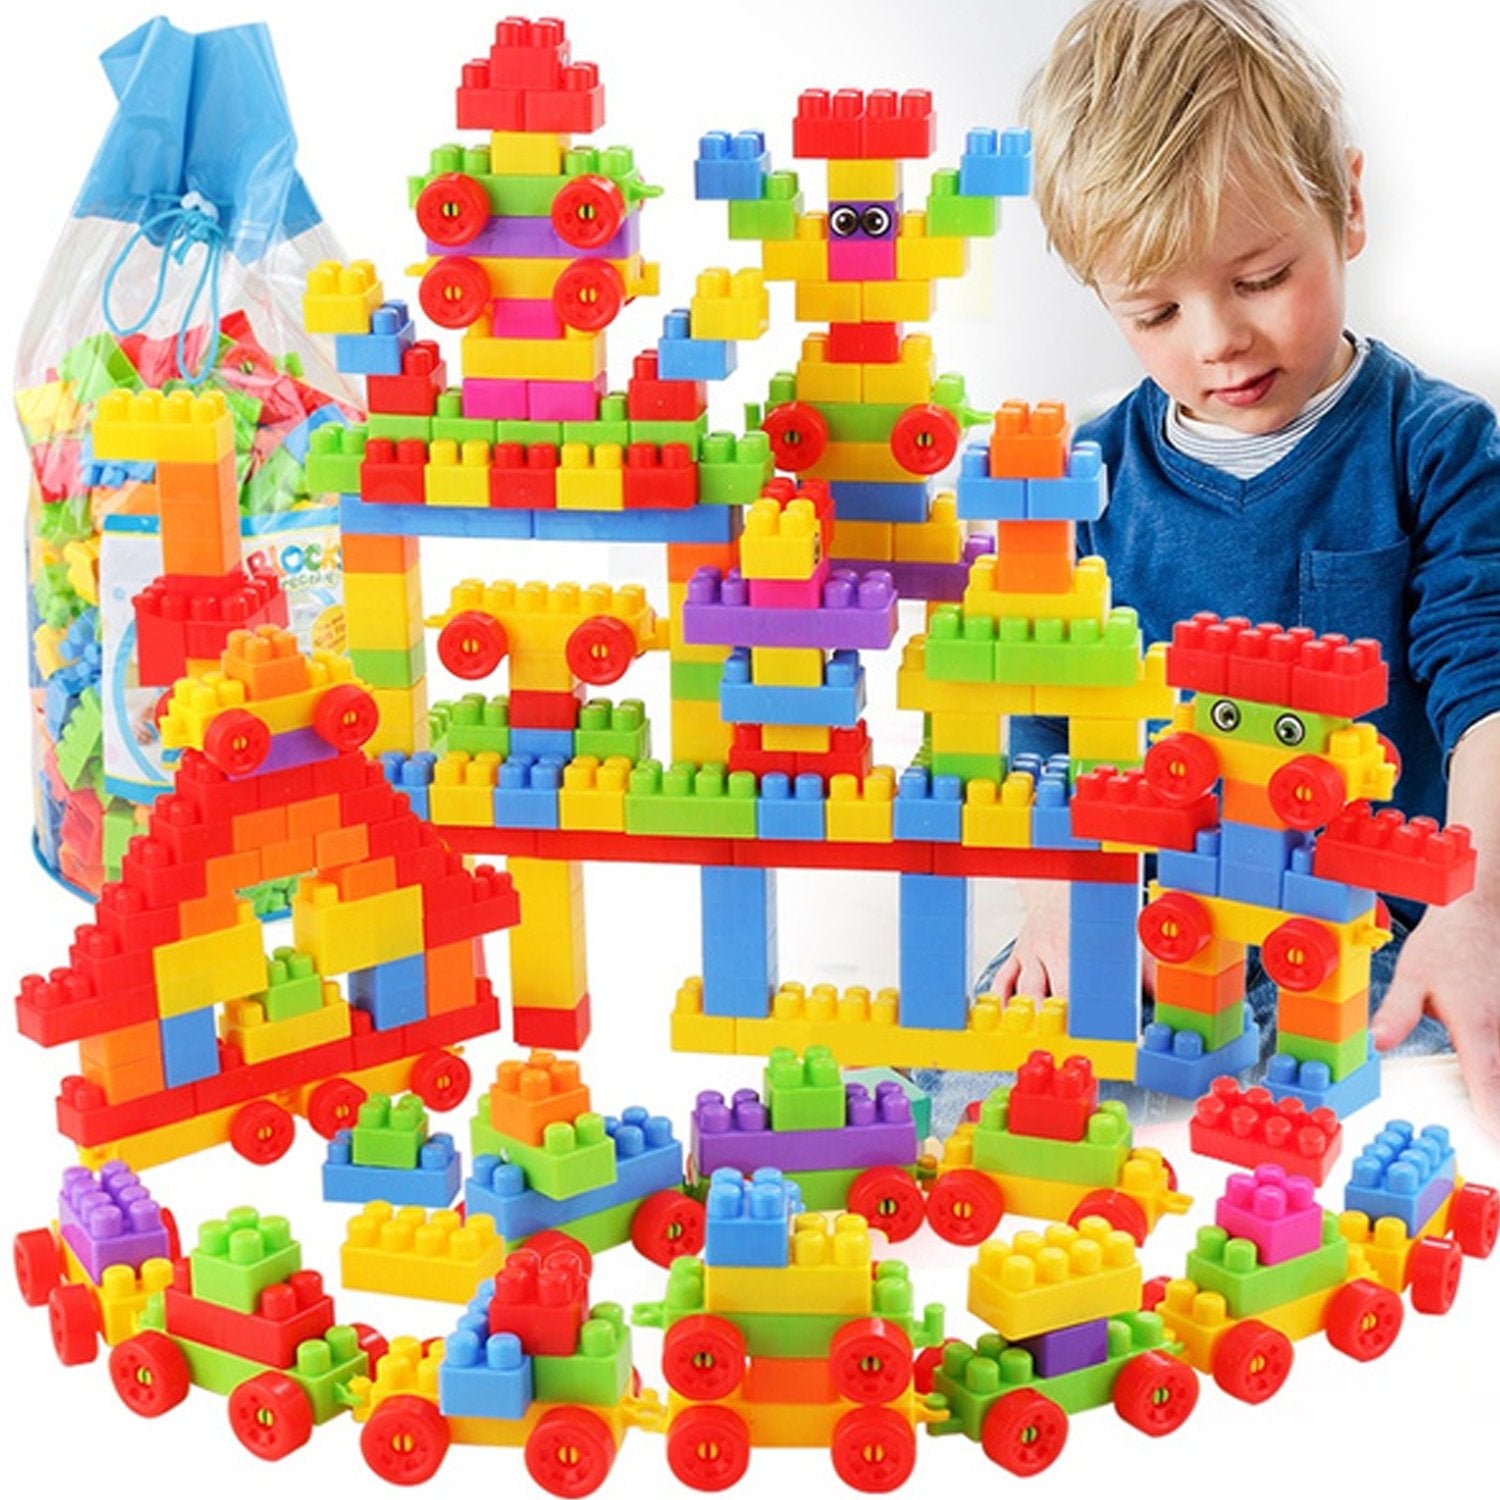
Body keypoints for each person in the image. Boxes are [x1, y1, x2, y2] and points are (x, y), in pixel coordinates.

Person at [916, 0, 1500, 1139]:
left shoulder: (1435, 449)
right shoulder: (1078, 482)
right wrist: (1063, 902)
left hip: (1376, 935)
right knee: (978, 1110)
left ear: (1349, 206)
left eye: (1263, 275)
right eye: (1155, 310)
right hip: (1144, 929)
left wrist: (1473, 911)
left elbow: (1486, 690)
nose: (1217, 338)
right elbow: (1038, 727)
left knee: (1420, 1129)